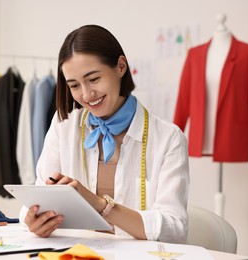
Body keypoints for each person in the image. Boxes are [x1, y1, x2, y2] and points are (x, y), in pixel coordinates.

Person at [19, 24, 190, 243]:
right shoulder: (65, 126)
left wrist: (100, 204)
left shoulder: (168, 138)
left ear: (120, 67)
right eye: (74, 85)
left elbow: (174, 228)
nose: (87, 94)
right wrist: (33, 219)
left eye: (93, 79)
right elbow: (37, 196)